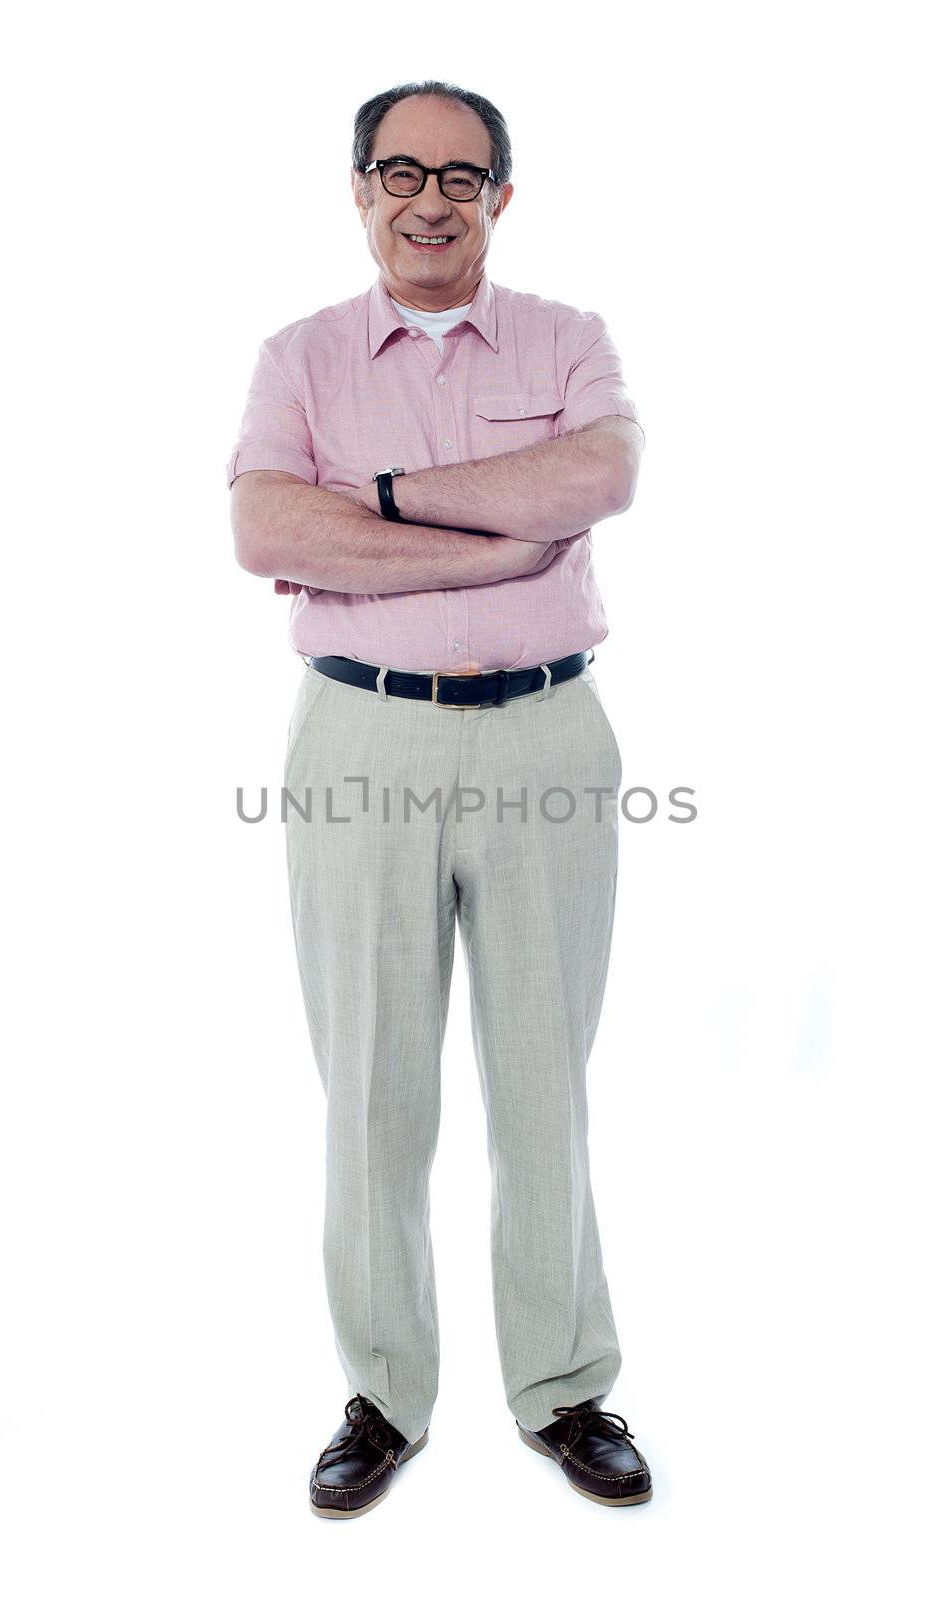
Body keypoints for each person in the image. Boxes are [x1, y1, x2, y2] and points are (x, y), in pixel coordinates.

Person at [227, 78, 650, 1518]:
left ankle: (564, 1383)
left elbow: (601, 471)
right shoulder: (296, 358)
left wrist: (386, 506)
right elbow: (265, 525)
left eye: (459, 178)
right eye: (397, 171)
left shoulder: (566, 339)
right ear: (357, 189)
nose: (427, 199)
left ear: (499, 198)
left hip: (545, 738)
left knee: (545, 1080)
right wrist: (490, 542)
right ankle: (383, 1392)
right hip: (360, 740)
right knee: (372, 1088)